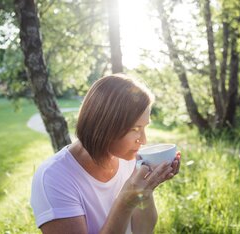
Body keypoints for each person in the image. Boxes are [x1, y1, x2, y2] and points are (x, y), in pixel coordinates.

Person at [30, 74, 181, 234]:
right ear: (105, 125)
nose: (143, 140)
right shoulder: (54, 178)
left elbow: (142, 230)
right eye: (135, 129)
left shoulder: (130, 160)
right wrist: (126, 201)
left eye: (145, 128)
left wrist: (146, 189)